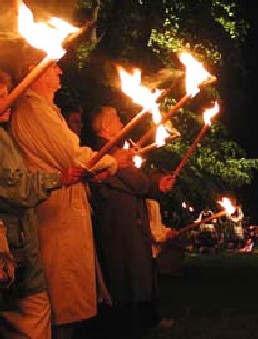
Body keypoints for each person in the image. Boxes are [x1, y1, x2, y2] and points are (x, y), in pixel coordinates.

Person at [10, 51, 132, 339]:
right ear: (35, 70)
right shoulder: (32, 108)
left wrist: (103, 167)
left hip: (65, 209)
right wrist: (112, 161)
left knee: (70, 299)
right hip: (54, 212)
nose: (60, 72)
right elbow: (73, 157)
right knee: (62, 299)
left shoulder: (45, 109)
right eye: (54, 66)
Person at [0, 69, 84, 339]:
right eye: (1, 96)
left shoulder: (6, 135)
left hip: (21, 249)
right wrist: (57, 178)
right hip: (11, 251)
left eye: (8, 93)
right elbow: (16, 188)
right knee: (33, 321)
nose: (8, 100)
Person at [88, 105, 177, 338]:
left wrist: (157, 182)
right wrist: (152, 184)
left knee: (136, 273)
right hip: (118, 225)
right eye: (116, 118)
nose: (121, 122)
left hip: (128, 224)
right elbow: (138, 183)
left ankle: (143, 320)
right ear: (105, 126)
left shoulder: (117, 150)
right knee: (124, 277)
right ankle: (127, 326)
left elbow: (141, 179)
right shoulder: (103, 152)